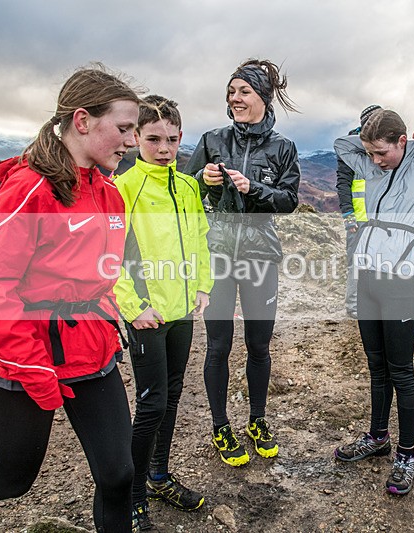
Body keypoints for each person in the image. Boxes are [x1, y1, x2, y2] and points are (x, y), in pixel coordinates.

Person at [0, 65, 140, 533]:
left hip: (90, 352)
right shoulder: (28, 190)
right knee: (14, 478)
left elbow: (100, 273)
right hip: (28, 360)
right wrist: (30, 366)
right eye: (124, 128)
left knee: (119, 473)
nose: (131, 141)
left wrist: (112, 311)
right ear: (82, 121)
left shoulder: (109, 195)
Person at [333, 109, 414, 495]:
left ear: (402, 141)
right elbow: (342, 145)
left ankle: (406, 455)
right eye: (370, 153)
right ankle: (378, 437)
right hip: (368, 276)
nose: (375, 160)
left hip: (402, 280)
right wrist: (367, 133)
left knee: (401, 370)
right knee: (377, 366)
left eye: (382, 152)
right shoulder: (370, 164)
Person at [183, 59, 300, 467]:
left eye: (244, 91)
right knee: (218, 345)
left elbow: (289, 200)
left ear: (263, 98)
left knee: (259, 345)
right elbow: (183, 189)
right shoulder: (212, 139)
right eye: (231, 91)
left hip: (260, 256)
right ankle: (220, 425)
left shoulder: (283, 148)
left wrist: (256, 189)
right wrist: (202, 181)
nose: (235, 98)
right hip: (216, 255)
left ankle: (257, 420)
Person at [112, 95, 212, 531]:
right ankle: (132, 498)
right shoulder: (122, 189)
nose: (164, 148)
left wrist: (203, 286)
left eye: (172, 139)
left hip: (183, 310)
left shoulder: (188, 186)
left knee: (172, 398)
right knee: (151, 405)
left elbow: (201, 240)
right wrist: (133, 308)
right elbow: (108, 257)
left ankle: (158, 476)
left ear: (181, 137)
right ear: (135, 137)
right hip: (146, 315)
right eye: (153, 139)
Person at [336, 104, 381, 318]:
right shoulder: (351, 147)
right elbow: (343, 183)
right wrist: (348, 216)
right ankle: (354, 307)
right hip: (359, 219)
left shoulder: (382, 145)